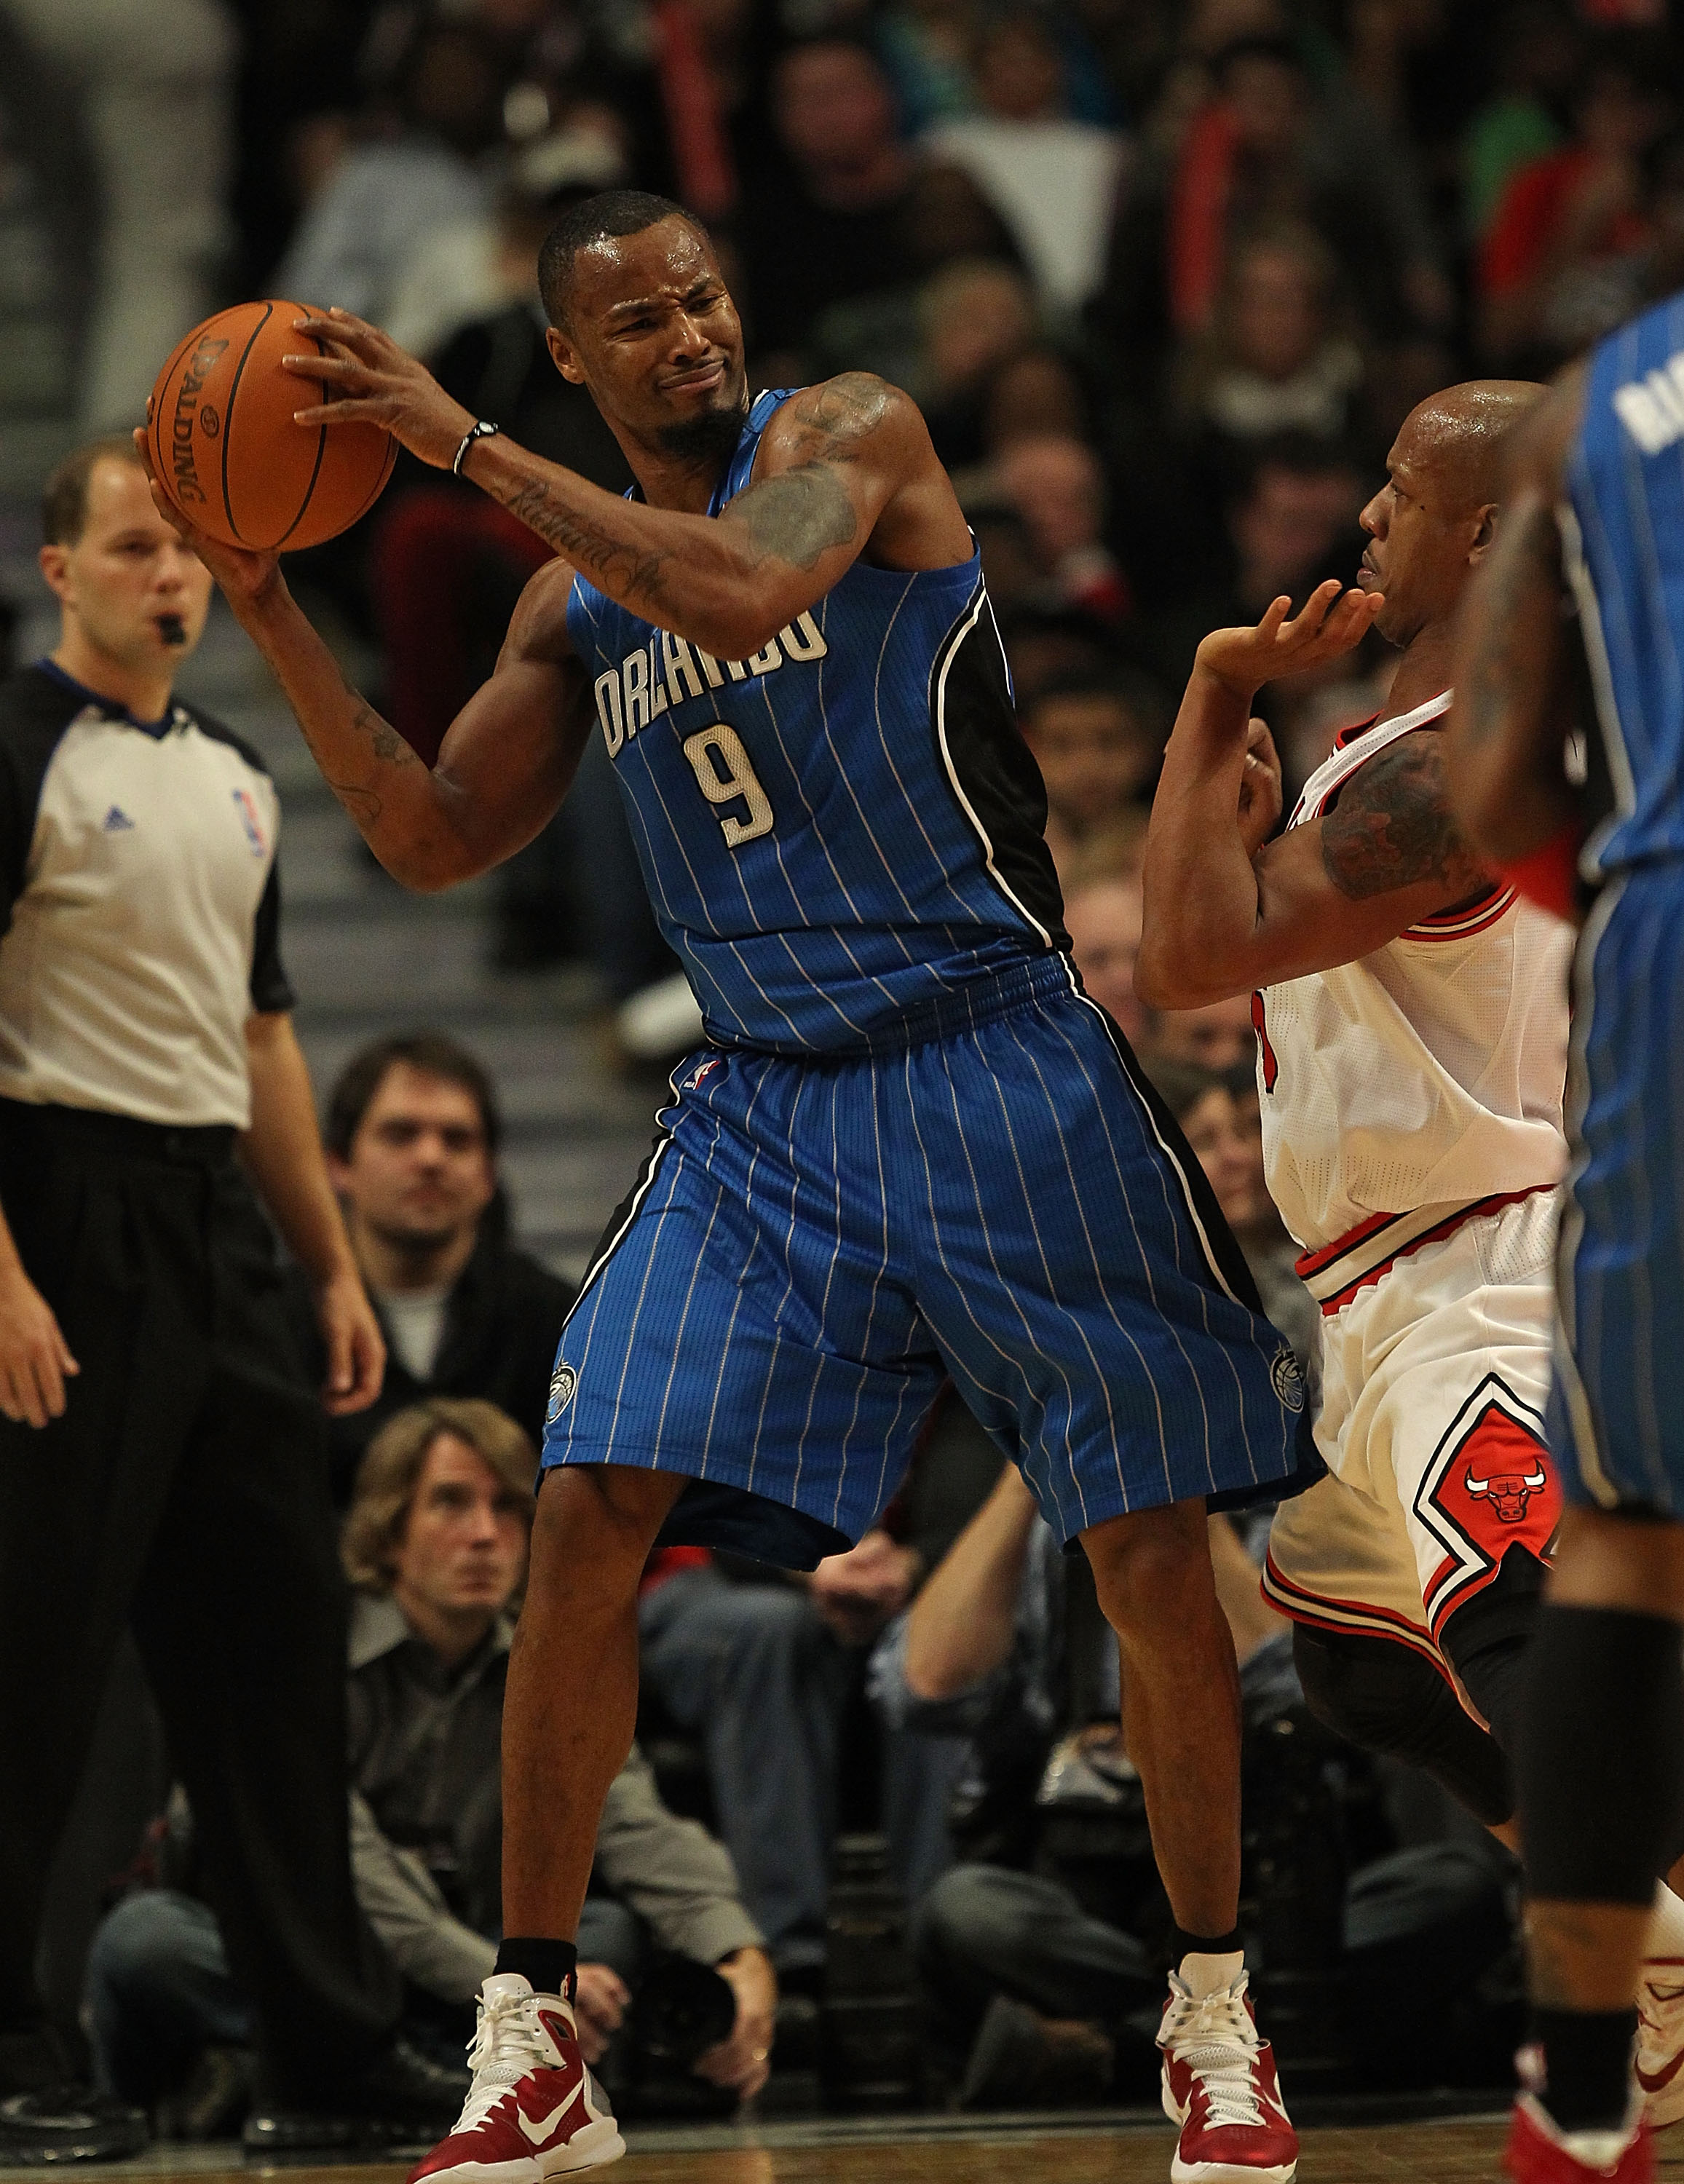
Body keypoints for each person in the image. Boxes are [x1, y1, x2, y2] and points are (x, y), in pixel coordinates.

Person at [143, 186, 1314, 2184]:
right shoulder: (561, 605)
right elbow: (427, 841)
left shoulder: (850, 436)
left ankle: (1214, 2013)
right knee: (587, 1494)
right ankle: (533, 2040)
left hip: (991, 1040)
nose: (689, 336)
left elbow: (744, 601)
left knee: (1139, 1536)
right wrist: (263, 600)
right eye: (641, 322)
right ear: (581, 357)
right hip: (769, 1098)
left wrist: (459, 447)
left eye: (702, 299)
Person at [1141, 379, 1684, 2176]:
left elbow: (1188, 953)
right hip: (1390, 1288)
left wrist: (1217, 691)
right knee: (1357, 1661)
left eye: (1398, 490)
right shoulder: (1470, 744)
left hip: (1480, 1269)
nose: (1364, 514)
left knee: (1516, 1621)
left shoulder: (1465, 757)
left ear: (1487, 540)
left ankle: (1640, 1935)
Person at [0, 437, 462, 2159]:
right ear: (62, 571)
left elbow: (265, 1036)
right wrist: (4, 1279)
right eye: (132, 548)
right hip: (61, 1204)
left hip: (222, 1231)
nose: (169, 577)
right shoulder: (17, 748)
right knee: (30, 1659)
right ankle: (5, 2048)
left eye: (185, 550)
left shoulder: (242, 774)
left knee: (272, 1664)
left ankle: (327, 2053)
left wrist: (328, 1260)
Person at [86, 1398, 776, 2122]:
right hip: (317, 1968)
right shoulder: (304, 1647)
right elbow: (346, 1863)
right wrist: (506, 1984)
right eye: (451, 1505)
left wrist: (739, 1958)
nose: (484, 1535)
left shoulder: (555, 1673)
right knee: (147, 1943)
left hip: (463, 1977)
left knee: (605, 1934)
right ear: (389, 1531)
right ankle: (443, 2078)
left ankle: (353, 2079)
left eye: (508, 1509)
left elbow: (634, 1822)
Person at [1444, 289, 1684, 2183]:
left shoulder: (1589, 415)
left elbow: (1500, 792)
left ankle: (1586, 2101)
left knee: (1618, 1537)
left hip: (1667, 931)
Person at [285, 1032, 577, 1506]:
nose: (430, 1158)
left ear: (487, 1175)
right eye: (400, 1135)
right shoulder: (275, 1326)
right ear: (339, 1166)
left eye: (456, 1140)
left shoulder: (560, 1324)